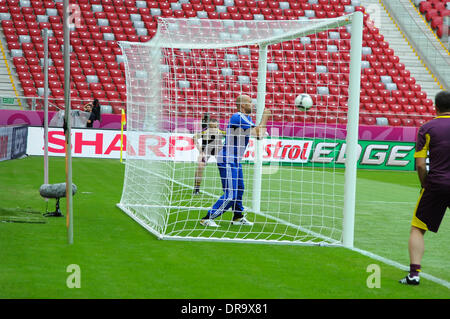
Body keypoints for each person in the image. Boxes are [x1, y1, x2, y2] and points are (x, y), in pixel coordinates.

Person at [399, 90, 450, 285]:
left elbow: (420, 164)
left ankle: (414, 274)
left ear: (435, 107)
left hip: (436, 185)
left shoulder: (427, 128)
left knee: (418, 229)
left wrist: (424, 184)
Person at [200, 94, 271, 227]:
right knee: (231, 193)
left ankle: (237, 217)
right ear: (243, 105)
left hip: (235, 160)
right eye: (250, 102)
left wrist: (262, 125)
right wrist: (265, 116)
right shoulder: (238, 117)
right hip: (227, 159)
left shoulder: (246, 118)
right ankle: (208, 218)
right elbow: (258, 134)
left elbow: (258, 135)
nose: (252, 104)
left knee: (239, 188)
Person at [193, 116, 226, 195]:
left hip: (217, 151)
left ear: (217, 126)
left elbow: (231, 138)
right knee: (200, 166)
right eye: (211, 127)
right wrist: (199, 148)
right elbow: (194, 137)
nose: (213, 129)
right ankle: (196, 188)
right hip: (206, 151)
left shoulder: (221, 132)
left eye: (214, 127)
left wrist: (224, 148)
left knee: (225, 167)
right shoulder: (205, 132)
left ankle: (227, 188)